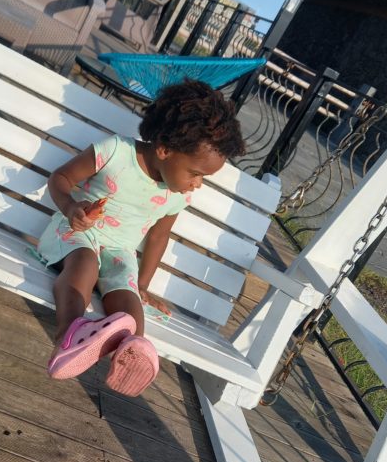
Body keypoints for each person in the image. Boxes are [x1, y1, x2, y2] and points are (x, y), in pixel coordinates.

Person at [36, 79, 245, 396]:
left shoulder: (176, 195)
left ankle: (133, 348)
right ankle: (67, 334)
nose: (198, 184)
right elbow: (60, 178)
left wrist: (143, 284)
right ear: (164, 150)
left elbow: (159, 236)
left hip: (119, 250)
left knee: (125, 288)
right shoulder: (115, 153)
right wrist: (70, 207)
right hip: (78, 234)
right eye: (196, 173)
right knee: (85, 264)